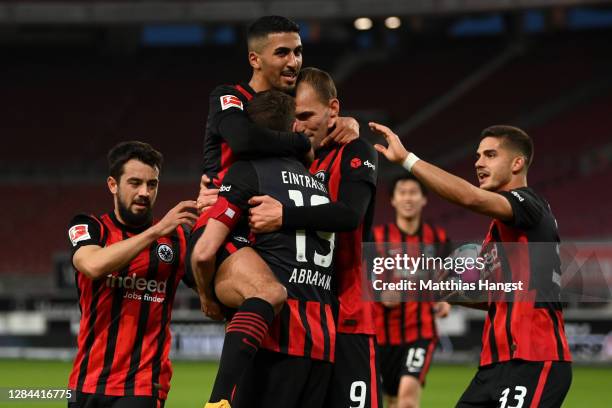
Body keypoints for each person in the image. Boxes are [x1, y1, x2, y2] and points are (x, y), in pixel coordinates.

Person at [192, 15, 358, 406]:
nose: (293, 61)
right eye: (282, 52)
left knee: (269, 321)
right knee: (268, 293)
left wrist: (346, 121)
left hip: (266, 239)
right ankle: (218, 401)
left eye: (298, 51)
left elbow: (322, 116)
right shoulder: (229, 95)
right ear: (255, 59)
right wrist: (300, 144)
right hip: (222, 227)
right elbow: (243, 138)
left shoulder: (293, 105)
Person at [370, 122, 572, 407]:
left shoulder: (528, 203)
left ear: (517, 163)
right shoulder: (503, 231)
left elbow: (470, 197)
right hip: (495, 364)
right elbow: (499, 297)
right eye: (477, 156)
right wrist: (448, 292)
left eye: (490, 155)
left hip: (534, 358)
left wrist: (407, 159)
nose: (478, 163)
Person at [248, 67, 382, 408]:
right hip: (304, 324)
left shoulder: (356, 151)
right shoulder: (294, 164)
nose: (299, 126)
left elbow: (351, 215)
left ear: (333, 110)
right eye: (293, 118)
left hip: (349, 316)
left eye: (307, 115)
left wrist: (284, 215)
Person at [67, 141, 199, 408]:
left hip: (143, 385)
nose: (145, 192)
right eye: (135, 183)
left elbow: (211, 294)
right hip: (85, 383)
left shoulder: (178, 241)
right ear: (112, 185)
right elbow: (92, 265)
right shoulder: (91, 227)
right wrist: (156, 231)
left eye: (152, 184)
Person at [372, 173, 451, 408]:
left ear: (423, 199)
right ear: (394, 200)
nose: (408, 198)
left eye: (413, 192)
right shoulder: (377, 238)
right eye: (402, 193)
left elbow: (446, 280)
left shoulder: (438, 239)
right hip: (382, 334)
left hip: (420, 332)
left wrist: (445, 300)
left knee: (407, 400)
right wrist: (380, 293)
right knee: (391, 400)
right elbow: (363, 279)